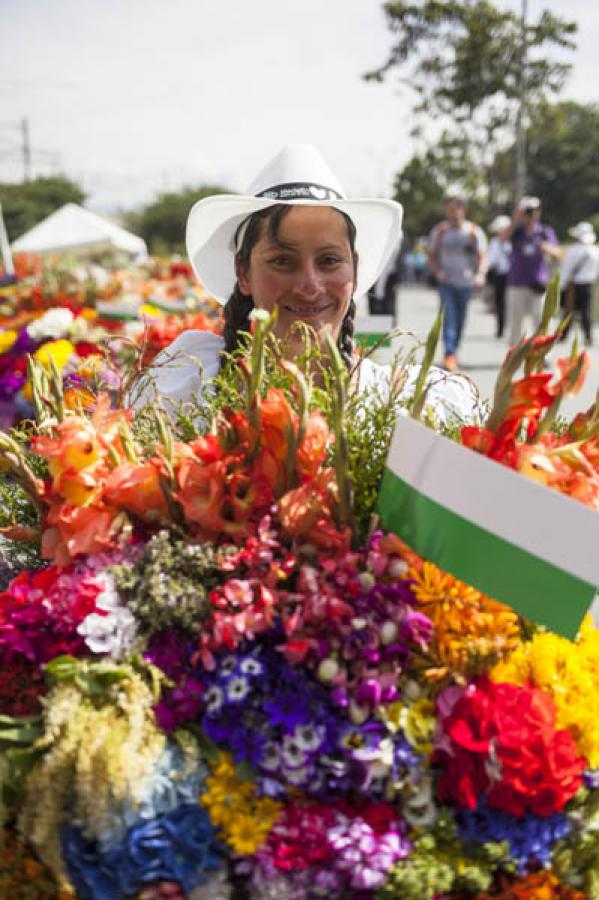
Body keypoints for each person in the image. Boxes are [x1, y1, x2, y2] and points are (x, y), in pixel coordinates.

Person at [136, 145, 480, 423]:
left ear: (354, 271)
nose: (310, 285)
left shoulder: (414, 406)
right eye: (282, 261)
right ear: (243, 272)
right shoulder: (183, 388)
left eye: (329, 261)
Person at [427, 196, 487, 373]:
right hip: (447, 283)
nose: (452, 213)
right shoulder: (440, 231)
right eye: (449, 209)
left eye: (455, 209)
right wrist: (438, 271)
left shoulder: (473, 232)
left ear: (463, 210)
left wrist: (480, 274)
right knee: (449, 317)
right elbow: (431, 256)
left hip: (466, 283)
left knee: (460, 319)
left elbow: (483, 257)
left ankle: (454, 350)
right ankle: (449, 353)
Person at [500, 196, 560, 346]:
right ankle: (515, 352)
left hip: (538, 283)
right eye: (528, 212)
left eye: (535, 211)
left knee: (540, 319)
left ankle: (542, 354)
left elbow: (557, 252)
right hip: (517, 282)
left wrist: (546, 247)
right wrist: (515, 219)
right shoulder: (517, 231)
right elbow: (502, 238)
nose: (532, 215)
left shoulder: (545, 231)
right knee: (516, 321)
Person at [558, 221, 599, 346]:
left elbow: (566, 270)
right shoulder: (595, 251)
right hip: (587, 284)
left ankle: (563, 335)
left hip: (573, 285)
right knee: (586, 311)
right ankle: (588, 336)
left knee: (568, 311)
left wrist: (562, 286)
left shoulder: (573, 250)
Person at [486, 214, 512, 338]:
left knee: (511, 303)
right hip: (500, 276)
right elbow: (490, 260)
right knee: (500, 303)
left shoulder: (514, 241)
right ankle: (501, 328)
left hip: (513, 276)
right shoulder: (495, 242)